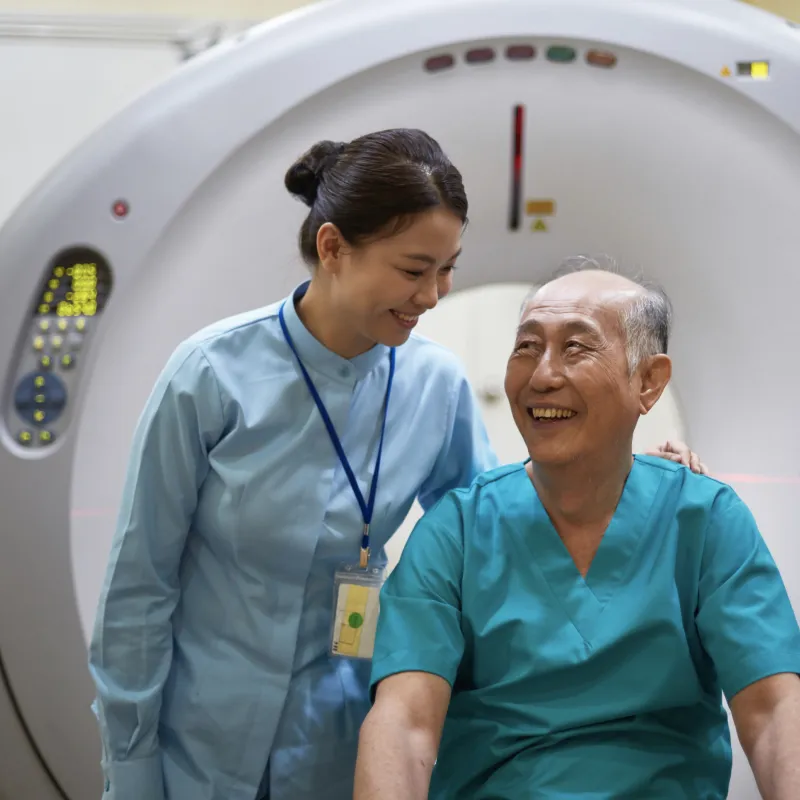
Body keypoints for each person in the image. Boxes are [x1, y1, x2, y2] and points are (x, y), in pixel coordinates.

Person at [88, 131, 701, 800]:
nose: (434, 295)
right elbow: (138, 590)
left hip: (339, 743)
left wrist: (641, 478)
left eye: (447, 269)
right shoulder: (209, 375)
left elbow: (499, 527)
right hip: (197, 747)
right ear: (332, 249)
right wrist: (132, 767)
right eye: (414, 270)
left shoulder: (434, 384)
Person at [355, 257, 800, 800]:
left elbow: (775, 711)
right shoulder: (458, 531)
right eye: (526, 346)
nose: (542, 376)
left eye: (576, 348)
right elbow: (404, 723)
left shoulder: (703, 519)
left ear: (649, 382)